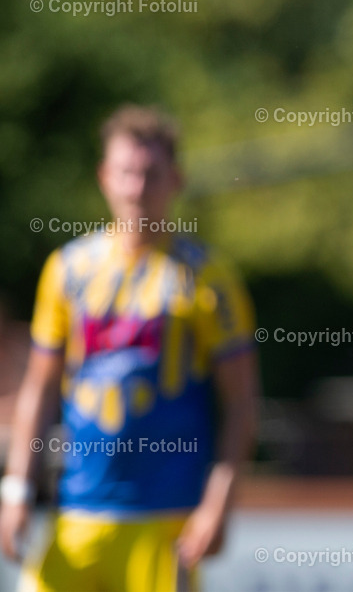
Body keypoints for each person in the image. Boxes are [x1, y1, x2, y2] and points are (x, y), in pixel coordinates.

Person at [0, 105, 259, 592]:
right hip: (76, 515)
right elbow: (40, 388)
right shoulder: (68, 269)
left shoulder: (208, 277)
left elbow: (242, 401)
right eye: (126, 173)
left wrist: (219, 503)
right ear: (104, 177)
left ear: (176, 180)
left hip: (165, 522)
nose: (137, 188)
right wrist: (16, 490)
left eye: (151, 174)